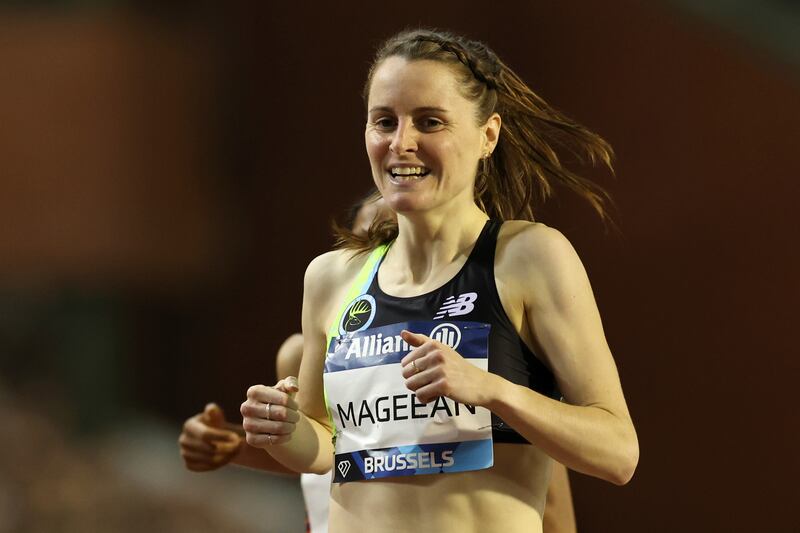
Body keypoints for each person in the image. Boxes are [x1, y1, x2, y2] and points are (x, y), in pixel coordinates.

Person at [241, 28, 638, 532]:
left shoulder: (529, 257)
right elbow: (326, 446)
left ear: (488, 135)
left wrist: (492, 390)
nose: (401, 143)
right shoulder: (330, 277)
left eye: (429, 122)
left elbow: (618, 452)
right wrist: (286, 429)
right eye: (385, 121)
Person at [180, 188, 579, 532]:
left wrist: (495, 390)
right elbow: (342, 449)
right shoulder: (302, 355)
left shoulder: (494, 347)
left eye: (399, 241)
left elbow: (550, 492)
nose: (392, 257)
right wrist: (239, 444)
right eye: (370, 241)